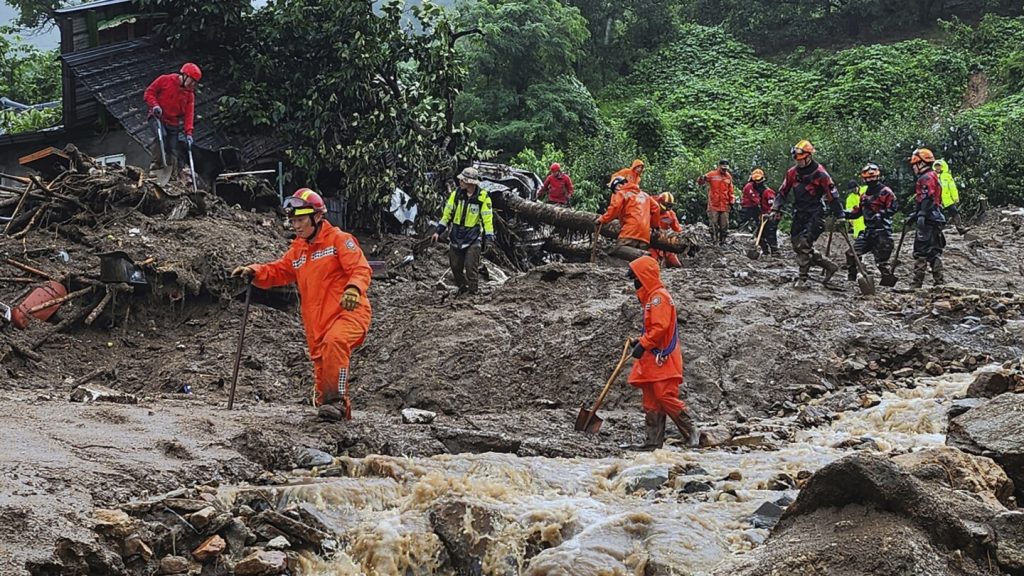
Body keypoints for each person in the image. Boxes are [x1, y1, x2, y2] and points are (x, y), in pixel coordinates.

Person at [231, 188, 372, 422]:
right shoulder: (299, 249)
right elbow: (279, 271)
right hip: (316, 321)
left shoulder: (339, 240)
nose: (295, 226)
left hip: (348, 312)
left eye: (300, 220)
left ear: (316, 217)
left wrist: (353, 288)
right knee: (321, 366)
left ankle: (336, 403)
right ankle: (335, 420)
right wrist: (254, 271)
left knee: (335, 343)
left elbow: (360, 268)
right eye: (292, 221)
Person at [626, 255, 698, 450]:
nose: (634, 282)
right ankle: (653, 441)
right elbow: (654, 329)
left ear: (644, 276)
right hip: (653, 357)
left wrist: (645, 343)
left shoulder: (659, 298)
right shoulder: (652, 298)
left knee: (664, 395)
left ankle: (691, 431)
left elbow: (660, 327)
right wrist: (640, 341)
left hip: (662, 357)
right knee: (651, 399)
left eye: (636, 277)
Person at [770, 140, 844, 289]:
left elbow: (832, 195)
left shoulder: (821, 174)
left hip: (815, 212)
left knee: (804, 244)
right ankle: (828, 265)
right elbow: (782, 191)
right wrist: (775, 208)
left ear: (809, 156)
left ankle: (802, 278)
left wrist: (840, 214)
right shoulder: (792, 173)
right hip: (799, 211)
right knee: (797, 245)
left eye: (801, 159)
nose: (799, 162)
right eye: (797, 160)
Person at [431, 167, 495, 295]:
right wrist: (438, 231)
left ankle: (472, 294)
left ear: (471, 182)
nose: (460, 182)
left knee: (471, 267)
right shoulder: (456, 195)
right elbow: (447, 214)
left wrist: (489, 239)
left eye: (463, 180)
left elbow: (488, 220)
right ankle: (463, 287)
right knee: (455, 266)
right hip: (456, 235)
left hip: (473, 237)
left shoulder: (483, 198)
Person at [143, 63, 201, 176]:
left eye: (195, 82)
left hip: (173, 122)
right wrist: (155, 105)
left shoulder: (189, 95)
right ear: (184, 76)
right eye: (192, 80)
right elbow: (149, 92)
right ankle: (156, 167)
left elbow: (189, 114)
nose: (193, 84)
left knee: (173, 148)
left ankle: (172, 174)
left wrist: (189, 133)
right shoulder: (165, 80)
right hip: (157, 116)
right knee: (162, 137)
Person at [843, 163, 898, 281]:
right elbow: (857, 212)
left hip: (883, 232)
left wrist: (881, 214)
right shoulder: (864, 195)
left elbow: (893, 208)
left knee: (882, 263)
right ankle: (851, 278)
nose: (871, 180)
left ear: (878, 177)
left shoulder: (886, 192)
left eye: (873, 177)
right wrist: (843, 213)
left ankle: (888, 283)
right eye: (868, 178)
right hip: (868, 231)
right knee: (851, 254)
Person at [908, 148, 946, 287]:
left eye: (914, 164)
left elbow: (927, 197)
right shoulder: (933, 175)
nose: (913, 168)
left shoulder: (925, 178)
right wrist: (915, 215)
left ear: (921, 164)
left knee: (921, 251)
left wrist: (922, 215)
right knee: (933, 252)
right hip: (936, 217)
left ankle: (916, 284)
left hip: (929, 219)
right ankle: (939, 282)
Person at [596, 176, 659, 260]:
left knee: (618, 253)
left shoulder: (622, 193)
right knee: (639, 261)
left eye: (614, 191)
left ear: (618, 186)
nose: (615, 193)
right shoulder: (645, 195)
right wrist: (654, 225)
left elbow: (614, 208)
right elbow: (656, 208)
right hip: (644, 235)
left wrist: (602, 219)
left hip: (630, 231)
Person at [697, 159, 736, 245]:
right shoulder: (712, 174)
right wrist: (701, 178)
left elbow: (731, 191)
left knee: (724, 225)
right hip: (713, 205)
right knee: (713, 224)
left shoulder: (728, 177)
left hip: (725, 204)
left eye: (726, 168)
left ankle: (723, 241)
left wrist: (732, 201)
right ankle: (714, 241)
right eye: (723, 168)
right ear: (719, 166)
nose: (724, 170)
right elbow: (701, 182)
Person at [649, 192, 683, 268]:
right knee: (654, 262)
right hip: (651, 242)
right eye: (666, 205)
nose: (668, 208)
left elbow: (677, 229)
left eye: (670, 206)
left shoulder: (670, 214)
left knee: (676, 265)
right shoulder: (649, 210)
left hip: (665, 241)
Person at [934, 159, 966, 234]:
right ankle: (937, 233)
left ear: (943, 167)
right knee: (937, 216)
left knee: (955, 212)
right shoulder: (933, 176)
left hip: (948, 199)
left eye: (939, 166)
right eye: (936, 166)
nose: (938, 168)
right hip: (937, 200)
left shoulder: (947, 176)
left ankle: (960, 228)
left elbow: (952, 187)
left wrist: (955, 197)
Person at [752, 171, 778, 256]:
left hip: (771, 216)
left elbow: (773, 204)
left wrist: (769, 213)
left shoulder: (768, 192)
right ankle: (765, 251)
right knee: (759, 235)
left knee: (770, 234)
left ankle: (775, 252)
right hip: (763, 216)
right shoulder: (759, 193)